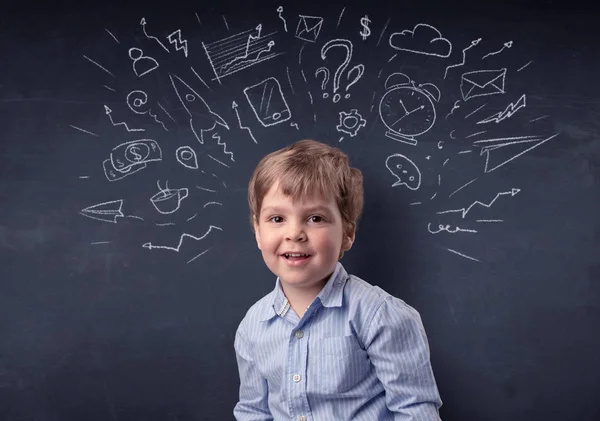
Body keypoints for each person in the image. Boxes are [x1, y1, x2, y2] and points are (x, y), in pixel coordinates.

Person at [234, 139, 442, 420]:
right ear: (257, 231)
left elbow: (415, 411)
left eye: (316, 218)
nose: (294, 233)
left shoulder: (380, 316)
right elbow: (253, 412)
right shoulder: (252, 326)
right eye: (277, 218)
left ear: (347, 233)